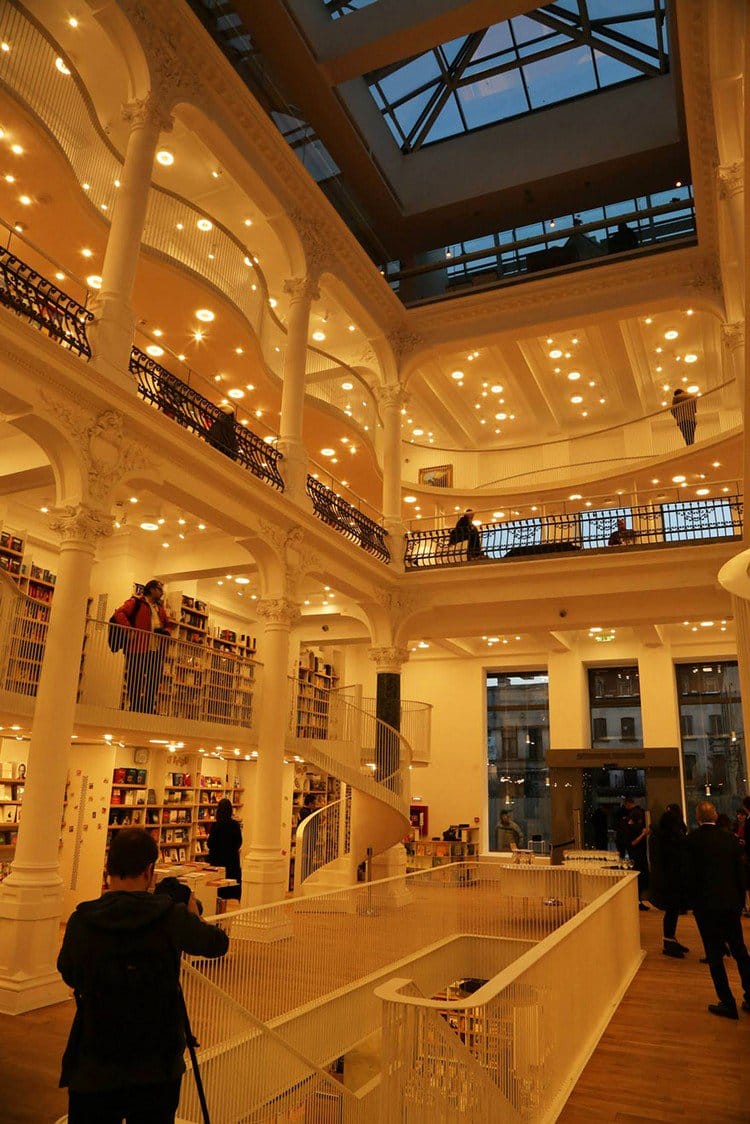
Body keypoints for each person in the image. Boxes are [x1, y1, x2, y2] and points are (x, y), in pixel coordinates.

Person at [58, 827, 229, 1122]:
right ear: (150, 870)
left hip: (95, 1056)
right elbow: (217, 944)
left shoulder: (81, 919)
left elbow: (69, 972)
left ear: (108, 868)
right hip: (156, 1059)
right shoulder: (170, 916)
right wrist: (193, 915)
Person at [686, 800, 750, 1019]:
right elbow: (740, 872)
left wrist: (692, 902)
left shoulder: (691, 841)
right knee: (739, 949)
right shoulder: (730, 840)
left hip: (705, 906)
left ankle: (727, 1001)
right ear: (715, 816)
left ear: (697, 818)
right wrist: (741, 900)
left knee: (714, 953)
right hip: (730, 903)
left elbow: (688, 875)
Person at [114, 579, 172, 714]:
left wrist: (166, 632)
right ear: (151, 589)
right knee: (135, 678)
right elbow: (119, 613)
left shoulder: (160, 609)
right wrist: (130, 630)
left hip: (156, 650)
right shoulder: (136, 602)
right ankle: (135, 706)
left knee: (154, 679)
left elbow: (168, 625)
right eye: (159, 589)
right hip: (137, 648)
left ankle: (148, 707)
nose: (162, 592)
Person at [648, 804, 690, 957]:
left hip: (668, 880)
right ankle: (669, 941)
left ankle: (670, 939)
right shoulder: (672, 838)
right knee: (672, 911)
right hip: (672, 880)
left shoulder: (659, 837)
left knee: (672, 911)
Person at [208, 796, 242, 903]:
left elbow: (210, 843)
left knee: (219, 890)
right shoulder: (235, 825)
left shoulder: (216, 825)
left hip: (217, 861)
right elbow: (239, 842)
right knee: (231, 887)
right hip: (232, 862)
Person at [624, 796, 650, 910]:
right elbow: (633, 843)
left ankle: (638, 900)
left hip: (636, 855)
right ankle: (637, 900)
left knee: (640, 877)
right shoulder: (633, 828)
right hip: (637, 855)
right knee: (640, 878)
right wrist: (643, 834)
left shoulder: (629, 826)